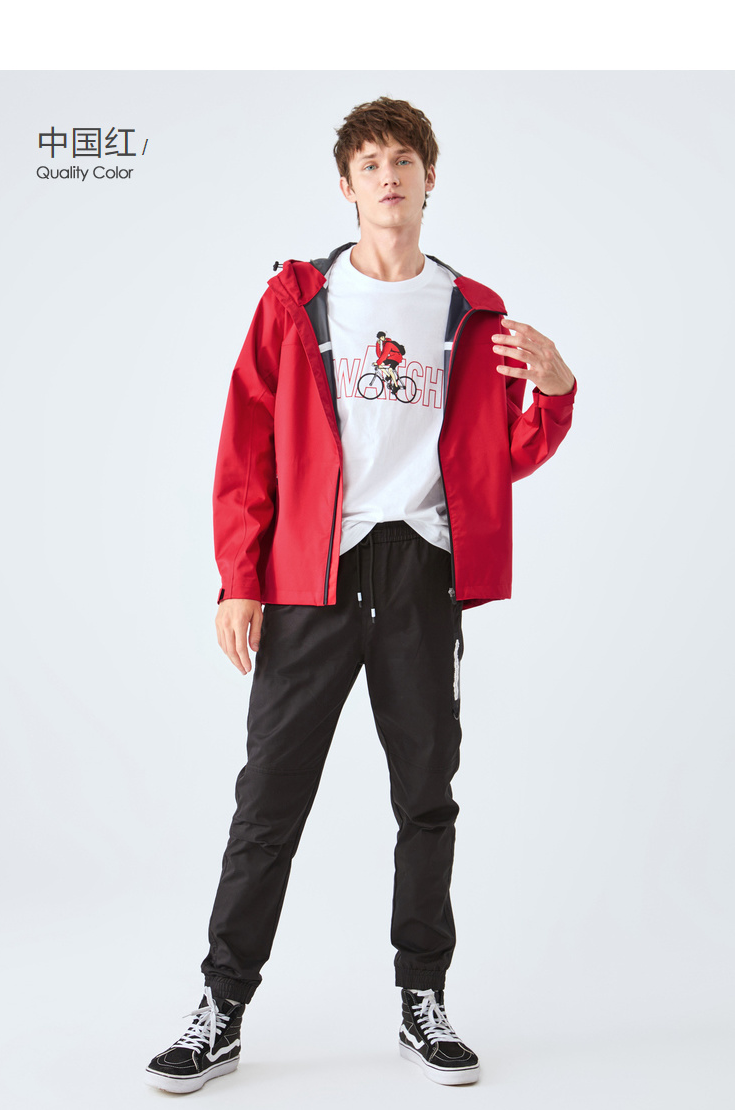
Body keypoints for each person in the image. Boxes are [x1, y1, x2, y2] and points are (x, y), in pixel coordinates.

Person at [145, 96, 577, 1094]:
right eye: (371, 163)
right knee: (269, 802)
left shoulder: (472, 311)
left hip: (421, 573)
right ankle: (221, 1008)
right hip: (312, 577)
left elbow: (494, 460)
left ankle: (423, 1002)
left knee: (427, 799)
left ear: (430, 179)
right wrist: (240, 578)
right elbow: (246, 441)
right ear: (346, 186)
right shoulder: (299, 301)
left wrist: (554, 391)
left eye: (404, 161)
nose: (389, 176)